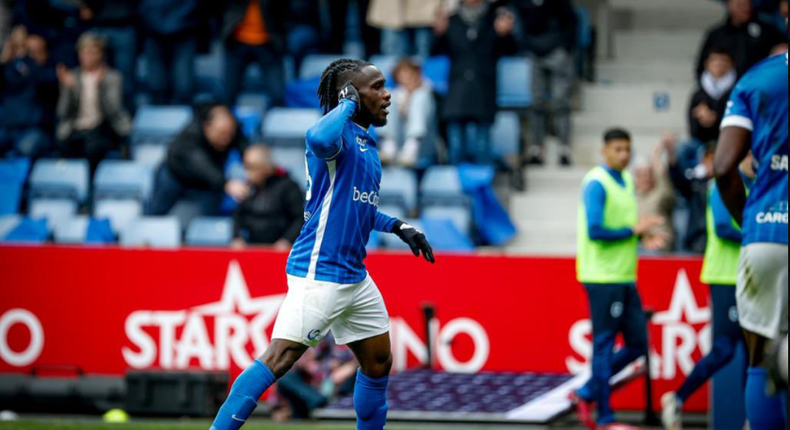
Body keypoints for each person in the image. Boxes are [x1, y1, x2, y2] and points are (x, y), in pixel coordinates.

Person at [209, 59, 436, 430]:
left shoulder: (365, 141)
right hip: (320, 273)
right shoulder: (336, 136)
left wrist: (398, 226)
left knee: (378, 362)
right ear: (350, 95)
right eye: (376, 87)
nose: (387, 94)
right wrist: (345, 105)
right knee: (279, 358)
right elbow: (316, 138)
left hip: (354, 277)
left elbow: (358, 207)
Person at [713, 48, 788, 430]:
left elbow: (723, 167)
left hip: (768, 233)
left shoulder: (757, 78)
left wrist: (752, 220)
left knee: (761, 359)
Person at [571, 128, 662, 430]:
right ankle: (605, 415)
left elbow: (623, 227)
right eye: (618, 149)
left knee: (637, 345)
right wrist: (634, 232)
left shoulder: (625, 181)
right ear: (604, 151)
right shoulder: (597, 183)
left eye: (627, 149)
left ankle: (588, 391)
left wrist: (642, 237)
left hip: (624, 276)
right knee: (604, 344)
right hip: (601, 276)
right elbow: (596, 230)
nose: (624, 154)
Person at [661, 154, 754, 430]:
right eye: (748, 153)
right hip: (725, 277)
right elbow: (723, 227)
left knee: (753, 353)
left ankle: (751, 419)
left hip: (750, 278)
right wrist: (760, 233)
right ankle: (677, 398)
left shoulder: (759, 186)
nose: (754, 158)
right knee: (725, 349)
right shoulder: (722, 183)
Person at [433, 0, 516, 166]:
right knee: (455, 148)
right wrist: (438, 33)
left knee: (482, 148)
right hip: (457, 90)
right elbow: (436, 52)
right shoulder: (452, 20)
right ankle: (455, 189)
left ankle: (480, 188)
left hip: (483, 88)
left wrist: (505, 34)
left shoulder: (495, 19)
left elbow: (511, 50)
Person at [148, 104, 249, 217]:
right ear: (207, 127)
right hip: (176, 176)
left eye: (230, 134)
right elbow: (201, 164)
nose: (226, 139)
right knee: (155, 213)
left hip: (207, 183)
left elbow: (246, 150)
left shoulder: (232, 129)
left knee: (210, 218)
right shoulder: (191, 136)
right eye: (221, 134)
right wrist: (226, 184)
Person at [509, 0, 578, 166]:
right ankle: (536, 148)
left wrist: (564, 47)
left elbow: (571, 22)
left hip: (557, 52)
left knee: (560, 101)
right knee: (535, 102)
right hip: (533, 53)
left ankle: (564, 148)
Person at [56, 32, 131, 174]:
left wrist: (100, 88)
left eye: (93, 52)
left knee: (94, 148)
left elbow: (113, 111)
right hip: (76, 128)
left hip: (102, 127)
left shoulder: (112, 77)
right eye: (84, 52)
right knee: (64, 143)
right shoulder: (72, 77)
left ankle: (91, 186)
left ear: (101, 54)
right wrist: (69, 89)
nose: (88, 56)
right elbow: (63, 112)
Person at [231, 145, 304, 249]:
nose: (247, 173)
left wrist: (287, 240)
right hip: (253, 247)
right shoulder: (248, 187)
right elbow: (238, 216)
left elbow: (299, 218)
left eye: (252, 167)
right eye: (246, 167)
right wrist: (237, 237)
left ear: (266, 167)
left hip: (281, 249)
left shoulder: (288, 187)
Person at [0, 29, 58, 159]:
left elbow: (39, 78)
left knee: (26, 147)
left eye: (36, 52)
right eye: (29, 52)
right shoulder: (11, 71)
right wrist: (4, 59)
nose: (32, 57)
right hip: (7, 128)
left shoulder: (50, 73)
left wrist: (23, 56)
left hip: (34, 130)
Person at [222, 0, 287, 107]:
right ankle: (228, 121)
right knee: (229, 93)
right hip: (236, 41)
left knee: (277, 94)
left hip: (269, 43)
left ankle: (275, 120)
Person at [697, 0, 785, 78]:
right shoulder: (716, 34)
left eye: (747, 4)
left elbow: (782, 51)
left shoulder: (767, 31)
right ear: (729, 5)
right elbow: (702, 67)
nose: (744, 8)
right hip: (727, 89)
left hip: (759, 85)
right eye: (739, 4)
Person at [79, 0, 140, 112]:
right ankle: (98, 122)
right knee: (94, 78)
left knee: (125, 83)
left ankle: (124, 123)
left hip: (125, 22)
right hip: (98, 24)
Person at [138, 0, 201, 105]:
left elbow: (195, 4)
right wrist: (155, 22)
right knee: (157, 83)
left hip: (184, 29)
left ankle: (185, 117)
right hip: (152, 30)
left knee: (184, 83)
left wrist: (172, 23)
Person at [377, 58, 437, 168]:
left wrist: (412, 95)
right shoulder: (395, 94)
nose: (407, 77)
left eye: (410, 73)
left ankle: (412, 148)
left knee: (420, 96)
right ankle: (388, 148)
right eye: (403, 73)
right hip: (399, 143)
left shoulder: (428, 90)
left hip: (424, 145)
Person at [689, 47, 737, 146]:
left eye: (723, 60)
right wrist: (702, 121)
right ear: (706, 64)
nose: (719, 64)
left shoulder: (737, 92)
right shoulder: (698, 95)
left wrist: (716, 120)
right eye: (715, 60)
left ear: (731, 64)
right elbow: (693, 131)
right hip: (703, 144)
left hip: (730, 143)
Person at [635, 140, 675, 253]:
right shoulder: (631, 197)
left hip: (660, 240)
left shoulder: (660, 194)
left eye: (649, 174)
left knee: (654, 251)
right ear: (636, 177)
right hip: (639, 240)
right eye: (642, 175)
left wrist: (656, 156)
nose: (646, 178)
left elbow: (662, 177)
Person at [367, 0, 442, 60]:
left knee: (423, 62)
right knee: (392, 63)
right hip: (392, 11)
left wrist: (443, 8)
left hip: (425, 12)